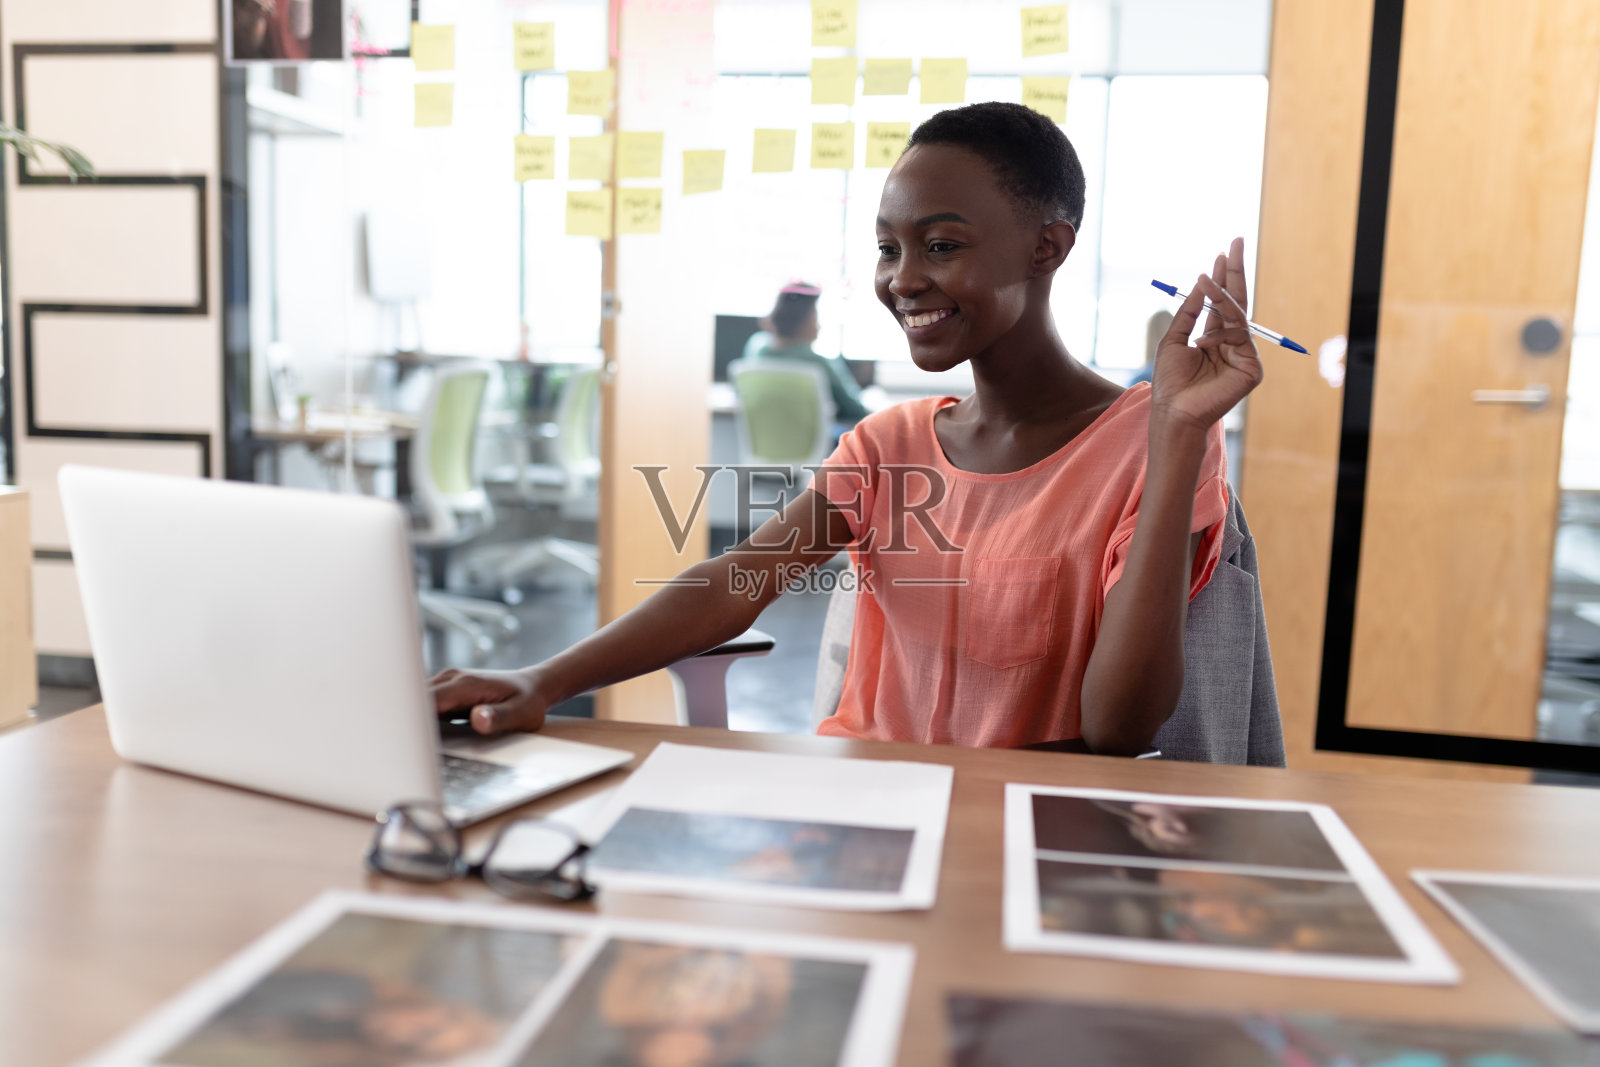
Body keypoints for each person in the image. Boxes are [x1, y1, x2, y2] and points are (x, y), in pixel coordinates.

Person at [430, 101, 1263, 755]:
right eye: (886, 248)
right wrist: (541, 678)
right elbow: (734, 580)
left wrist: (1181, 434)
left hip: (1015, 828)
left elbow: (1120, 727)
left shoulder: (1150, 445)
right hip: (860, 813)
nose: (903, 280)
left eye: (940, 245)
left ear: (1047, 247)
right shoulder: (886, 443)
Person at [742, 282, 871, 430]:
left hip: (765, 447)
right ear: (803, 319)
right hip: (816, 450)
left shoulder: (756, 348)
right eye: (816, 315)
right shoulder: (817, 362)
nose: (820, 325)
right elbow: (854, 410)